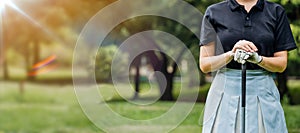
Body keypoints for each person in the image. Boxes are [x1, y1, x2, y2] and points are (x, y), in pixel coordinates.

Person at [199, 0, 297, 132]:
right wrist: (231, 55)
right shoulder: (214, 12)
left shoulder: (276, 12)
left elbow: (281, 64)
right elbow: (205, 64)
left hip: (263, 90)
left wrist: (259, 59)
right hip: (224, 91)